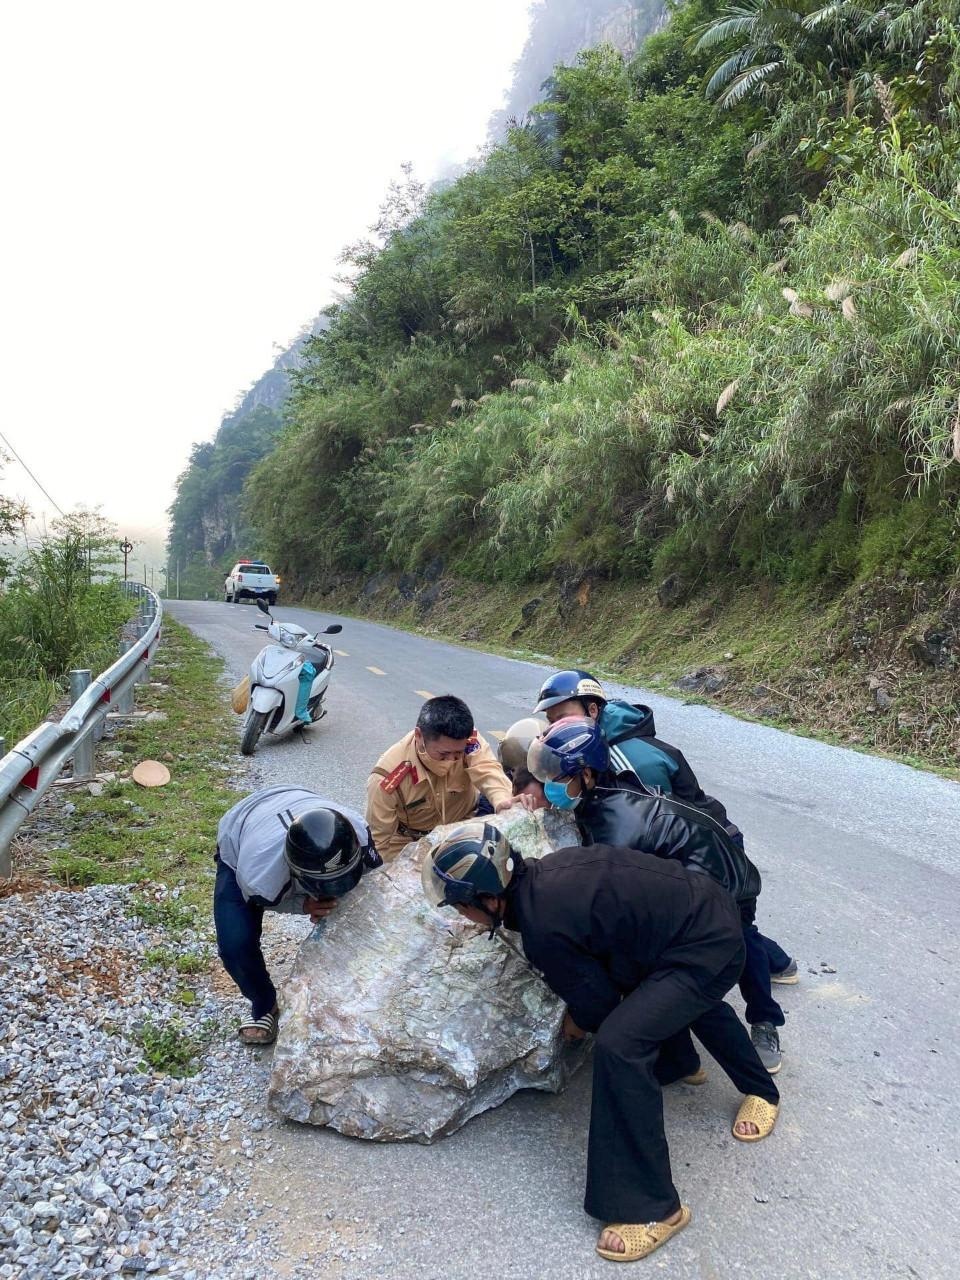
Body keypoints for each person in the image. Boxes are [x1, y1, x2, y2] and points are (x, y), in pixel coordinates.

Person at [421, 821, 780, 1264]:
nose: (462, 917)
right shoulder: (545, 876)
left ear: (490, 900)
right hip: (703, 915)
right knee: (667, 1000)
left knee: (620, 1045)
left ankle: (654, 1209)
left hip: (709, 946)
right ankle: (687, 1064)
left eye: (462, 907)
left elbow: (599, 1004)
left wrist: (577, 1021)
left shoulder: (543, 927)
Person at [534, 671, 797, 1061]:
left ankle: (765, 1020)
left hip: (710, 849)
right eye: (550, 719)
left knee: (735, 934)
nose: (554, 726)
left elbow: (664, 830)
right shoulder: (586, 743)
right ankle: (779, 961)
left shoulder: (630, 758)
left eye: (562, 716)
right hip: (681, 849)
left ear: (592, 710)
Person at [215, 784, 381, 1046]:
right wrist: (305, 905)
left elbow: (376, 884)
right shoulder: (258, 878)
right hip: (242, 827)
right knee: (235, 943)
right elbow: (268, 902)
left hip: (295, 795)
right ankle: (264, 1004)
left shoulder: (358, 832)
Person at [365, 695, 518, 861]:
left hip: (462, 828)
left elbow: (488, 770)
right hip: (409, 840)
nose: (451, 761)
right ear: (419, 736)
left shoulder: (468, 740)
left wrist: (503, 800)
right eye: (443, 754)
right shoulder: (387, 777)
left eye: (458, 754)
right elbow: (378, 841)